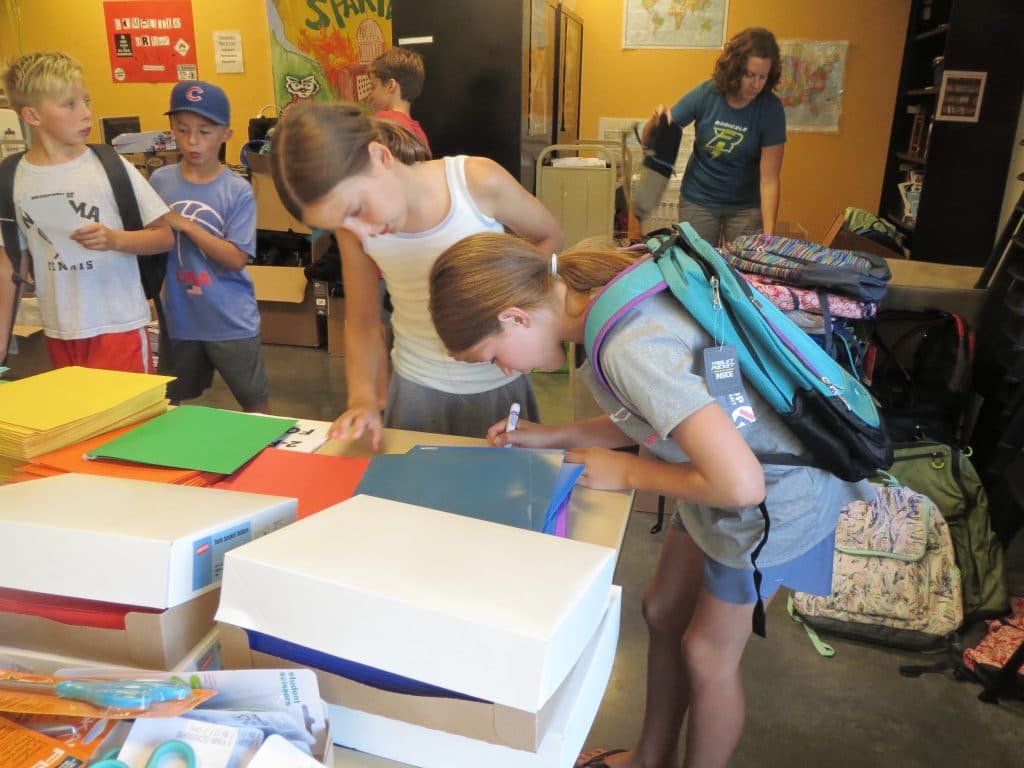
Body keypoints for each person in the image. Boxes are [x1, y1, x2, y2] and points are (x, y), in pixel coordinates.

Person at [427, 232, 869, 768]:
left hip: (773, 497)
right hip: (717, 467)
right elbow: (656, 412)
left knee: (707, 656)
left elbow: (742, 486)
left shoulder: (627, 345)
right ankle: (650, 759)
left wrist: (628, 472)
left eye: (493, 356)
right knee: (662, 610)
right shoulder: (598, 296)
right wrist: (550, 436)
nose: (504, 371)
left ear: (515, 317)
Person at [269, 101, 562, 448]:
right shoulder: (355, 231)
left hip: (498, 385)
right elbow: (362, 322)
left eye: (356, 209)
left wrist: (518, 319)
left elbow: (549, 237)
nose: (360, 232)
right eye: (338, 226)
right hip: (416, 391)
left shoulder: (475, 182)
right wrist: (362, 400)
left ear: (380, 157)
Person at [0, 51, 173, 372]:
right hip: (59, 331)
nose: (86, 113)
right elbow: (10, 262)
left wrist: (114, 240)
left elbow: (163, 236)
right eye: (69, 104)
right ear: (32, 116)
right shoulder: (13, 177)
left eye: (86, 101)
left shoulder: (109, 166)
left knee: (128, 407)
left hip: (119, 325)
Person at [148, 81, 269, 413]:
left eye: (204, 131)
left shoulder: (237, 190)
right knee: (168, 406)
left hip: (230, 318)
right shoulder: (160, 181)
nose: (192, 140)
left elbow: (236, 258)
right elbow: (152, 238)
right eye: (182, 129)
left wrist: (186, 225)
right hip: (179, 317)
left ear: (225, 134)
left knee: (256, 406)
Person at [642, 27, 785, 245]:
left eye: (762, 77)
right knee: (697, 261)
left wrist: (769, 235)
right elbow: (652, 140)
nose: (756, 84)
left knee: (743, 263)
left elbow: (769, 179)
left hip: (746, 206)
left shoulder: (771, 108)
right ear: (735, 69)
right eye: (750, 75)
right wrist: (655, 120)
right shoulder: (708, 93)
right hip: (699, 200)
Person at [366, 46, 431, 153]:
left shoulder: (382, 122)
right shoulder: (419, 134)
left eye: (373, 87)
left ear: (391, 85)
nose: (370, 95)